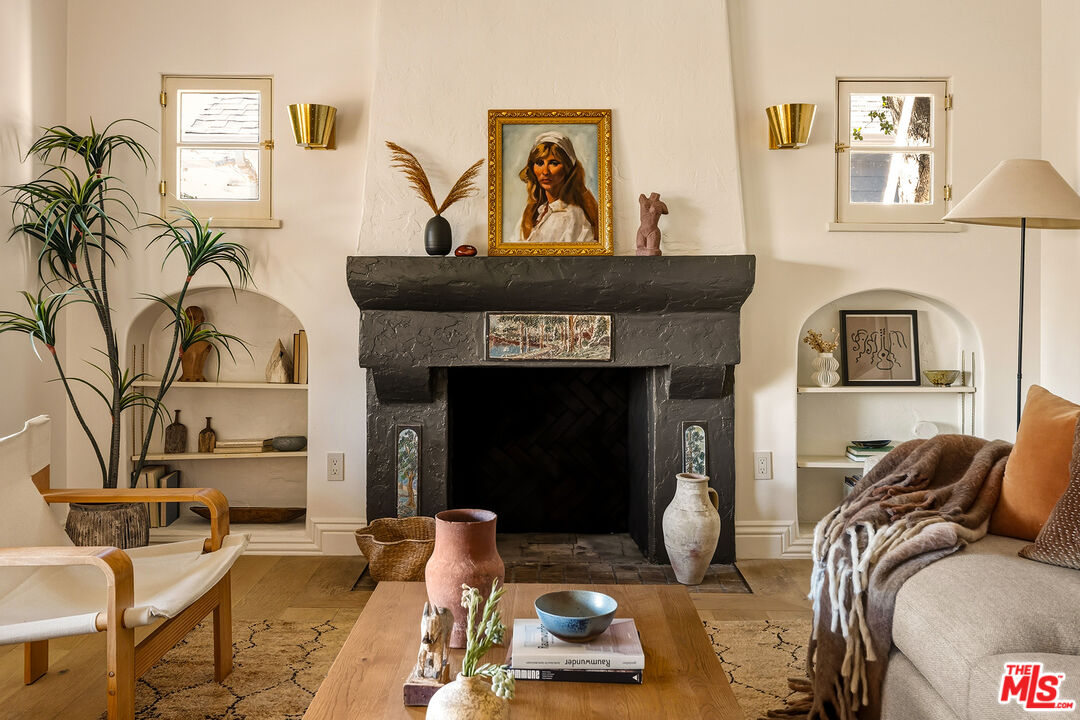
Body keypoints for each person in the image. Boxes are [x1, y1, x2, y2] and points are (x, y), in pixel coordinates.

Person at [515, 131, 598, 244]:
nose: (545, 171)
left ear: (567, 169)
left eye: (553, 163)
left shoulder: (572, 216)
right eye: (539, 163)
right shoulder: (535, 212)